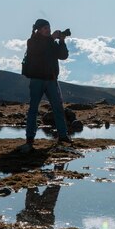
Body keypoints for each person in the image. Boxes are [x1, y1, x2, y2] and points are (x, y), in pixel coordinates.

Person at [19, 18, 71, 153]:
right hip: (37, 80)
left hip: (51, 80)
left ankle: (63, 136)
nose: (48, 30)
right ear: (39, 29)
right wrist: (52, 38)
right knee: (33, 109)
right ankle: (29, 139)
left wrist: (62, 41)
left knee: (58, 108)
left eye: (48, 28)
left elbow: (63, 56)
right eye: (45, 28)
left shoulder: (51, 43)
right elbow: (38, 50)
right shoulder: (32, 42)